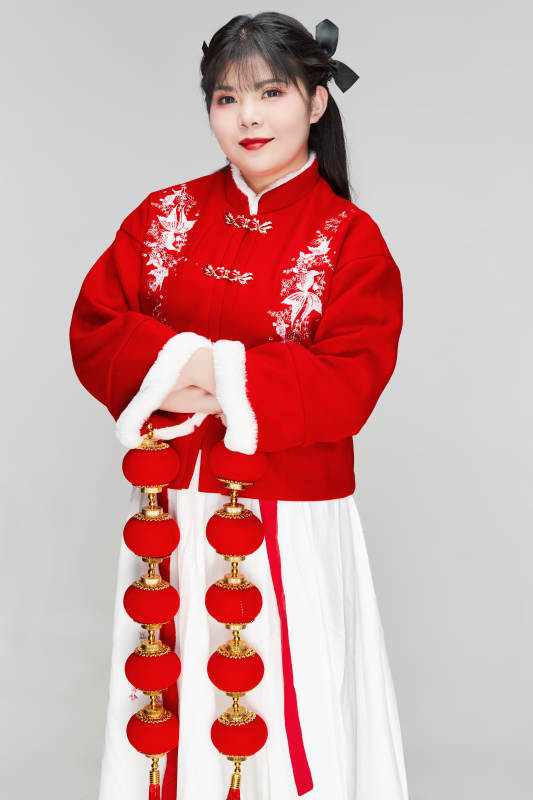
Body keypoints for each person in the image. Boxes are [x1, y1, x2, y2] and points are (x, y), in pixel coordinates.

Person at [69, 12, 410, 800]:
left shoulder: (348, 240)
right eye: (226, 98)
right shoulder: (164, 215)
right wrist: (232, 374)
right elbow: (96, 330)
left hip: (290, 521)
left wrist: (193, 370)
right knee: (164, 699)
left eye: (270, 92)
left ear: (315, 102)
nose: (248, 117)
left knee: (289, 711)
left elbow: (349, 380)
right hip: (166, 512)